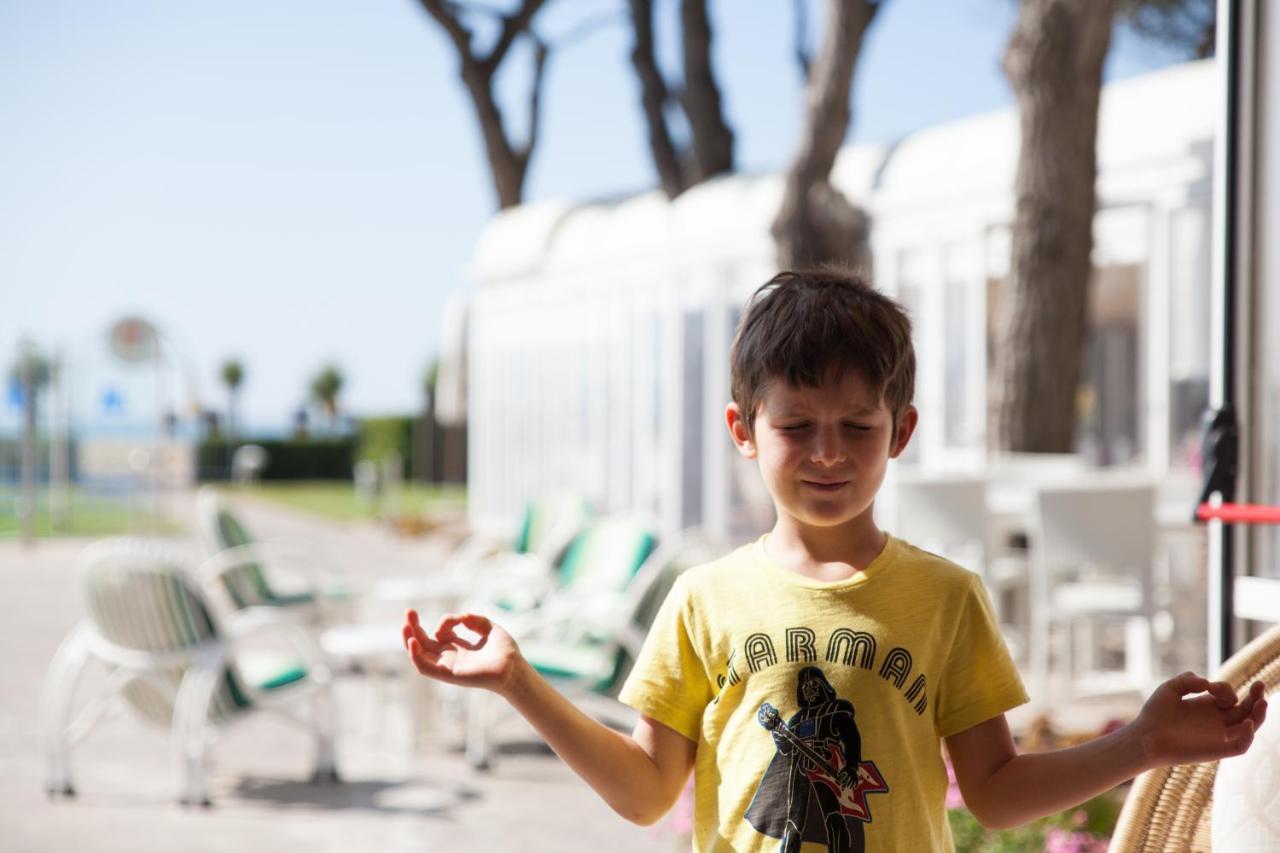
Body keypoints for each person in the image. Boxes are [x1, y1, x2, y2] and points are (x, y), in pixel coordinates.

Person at [402, 269, 1268, 851]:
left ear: (903, 432)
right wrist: (519, 680)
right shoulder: (704, 598)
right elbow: (644, 791)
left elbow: (996, 791)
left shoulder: (945, 596)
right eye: (796, 426)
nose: (828, 453)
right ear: (744, 430)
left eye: (858, 427)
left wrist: (1144, 741)